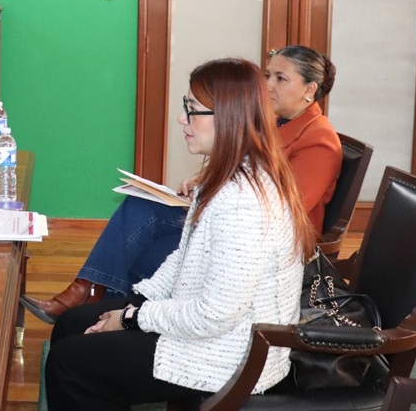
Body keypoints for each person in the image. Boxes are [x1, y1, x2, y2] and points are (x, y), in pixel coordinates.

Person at [44, 58, 316, 410]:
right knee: (72, 323)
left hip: (230, 355)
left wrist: (131, 318)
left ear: (228, 117)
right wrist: (138, 302)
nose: (181, 120)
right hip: (213, 332)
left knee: (70, 364)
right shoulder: (224, 175)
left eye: (192, 110)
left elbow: (215, 315)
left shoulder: (244, 202)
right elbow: (183, 259)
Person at [22, 45, 340, 323]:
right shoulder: (272, 123)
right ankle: (92, 297)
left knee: (148, 247)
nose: (268, 86)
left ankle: (99, 303)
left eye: (280, 79)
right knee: (141, 203)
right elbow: (238, 164)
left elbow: (281, 209)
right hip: (228, 218)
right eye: (267, 75)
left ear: (309, 90)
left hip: (260, 246)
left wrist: (212, 196)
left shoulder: (318, 139)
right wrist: (202, 181)